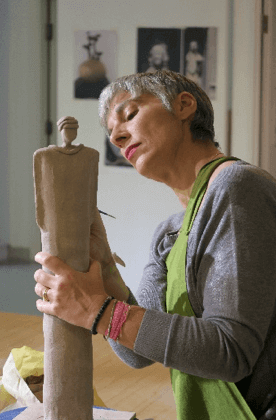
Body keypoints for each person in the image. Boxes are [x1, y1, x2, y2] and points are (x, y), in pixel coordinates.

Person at [34, 70, 276, 419]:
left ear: (184, 105)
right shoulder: (170, 233)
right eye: (112, 135)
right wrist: (105, 270)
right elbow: (136, 353)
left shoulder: (236, 187)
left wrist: (96, 310)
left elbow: (231, 351)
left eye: (129, 115)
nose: (117, 136)